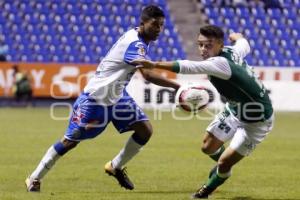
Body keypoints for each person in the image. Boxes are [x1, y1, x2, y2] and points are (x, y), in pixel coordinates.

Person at [25, 5, 180, 192]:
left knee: (144, 130)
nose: (159, 30)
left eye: (162, 26)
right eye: (155, 25)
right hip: (95, 98)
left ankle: (115, 166)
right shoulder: (135, 44)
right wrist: (177, 86)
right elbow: (147, 75)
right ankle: (34, 178)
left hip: (117, 96)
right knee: (71, 141)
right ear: (142, 23)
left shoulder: (139, 38)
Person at [133, 25, 274, 199]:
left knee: (223, 163)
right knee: (207, 147)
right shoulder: (232, 51)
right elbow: (244, 44)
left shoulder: (220, 63)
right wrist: (238, 37)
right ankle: (225, 166)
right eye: (200, 45)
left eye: (208, 45)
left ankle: (207, 189)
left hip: (257, 120)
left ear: (220, 45)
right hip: (235, 109)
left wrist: (155, 64)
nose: (203, 49)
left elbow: (189, 67)